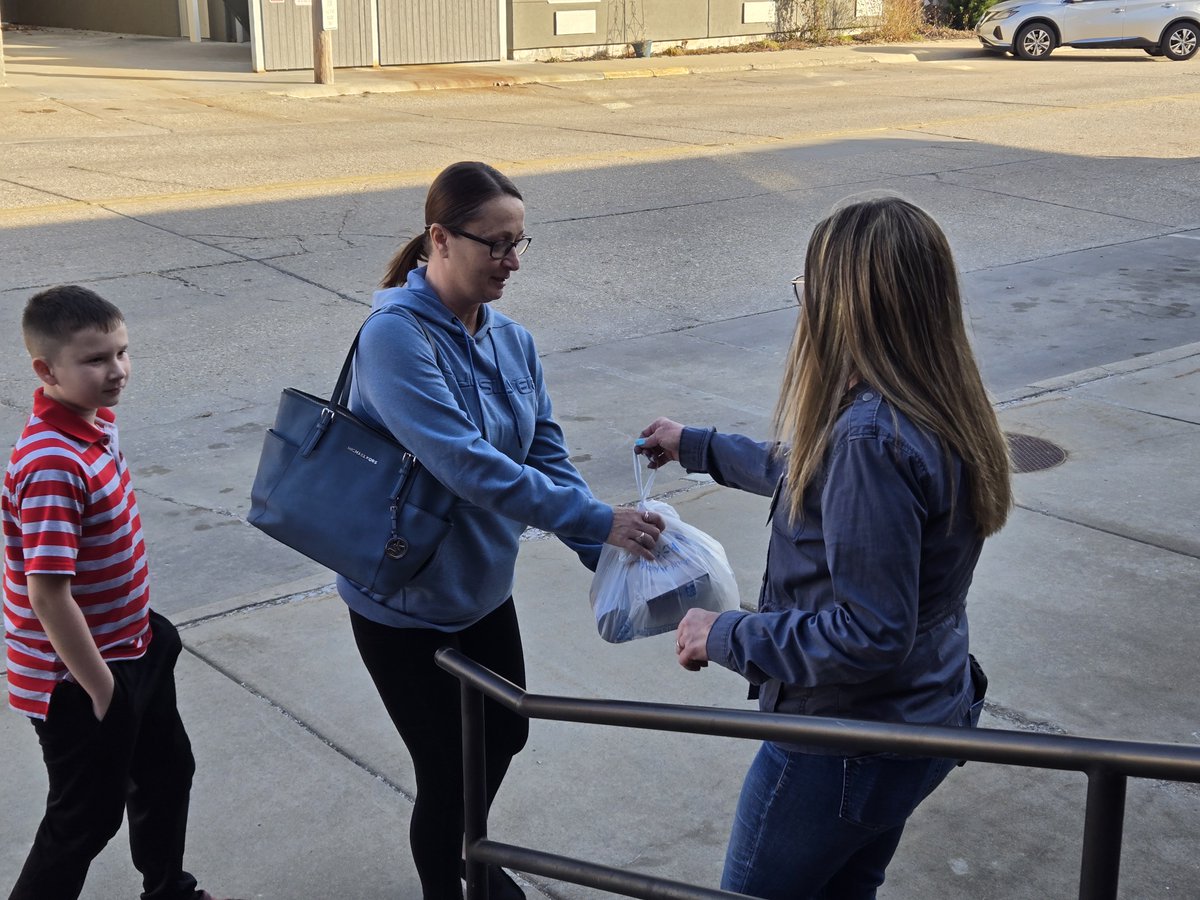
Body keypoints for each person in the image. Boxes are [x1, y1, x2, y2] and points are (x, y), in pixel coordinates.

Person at [636, 196, 1012, 899]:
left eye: (811, 290)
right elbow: (808, 473)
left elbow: (871, 633)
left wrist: (725, 633)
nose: (803, 308)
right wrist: (699, 446)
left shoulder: (871, 437)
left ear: (851, 307)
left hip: (844, 743)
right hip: (920, 718)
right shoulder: (935, 403)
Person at [337, 161, 665, 900]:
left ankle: (468, 851)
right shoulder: (395, 338)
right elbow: (469, 466)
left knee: (505, 734)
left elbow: (544, 454)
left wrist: (609, 552)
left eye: (520, 243)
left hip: (482, 589)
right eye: (496, 245)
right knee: (447, 770)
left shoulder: (511, 339)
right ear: (440, 240)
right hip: (403, 602)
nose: (512, 261)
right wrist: (597, 522)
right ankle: (454, 880)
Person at [3, 285, 241, 900]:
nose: (116, 371)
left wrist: (147, 640)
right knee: (83, 821)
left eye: (122, 352)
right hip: (79, 677)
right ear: (45, 370)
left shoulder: (92, 424)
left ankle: (169, 890)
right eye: (94, 360)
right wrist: (105, 693)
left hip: (134, 644)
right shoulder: (52, 463)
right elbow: (48, 595)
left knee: (166, 776)